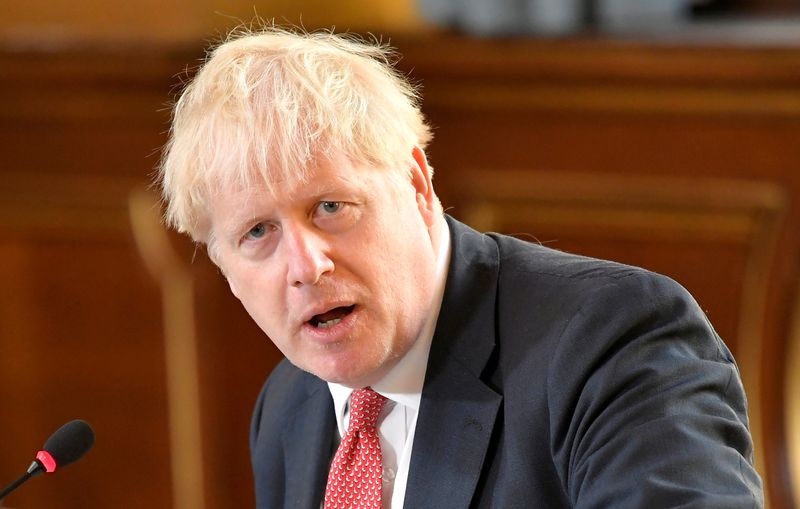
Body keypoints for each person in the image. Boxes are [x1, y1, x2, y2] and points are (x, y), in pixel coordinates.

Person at [158, 26, 763, 508]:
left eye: (331, 207)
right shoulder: (289, 409)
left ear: (418, 185)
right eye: (258, 232)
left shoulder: (609, 341)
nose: (306, 265)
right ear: (225, 269)